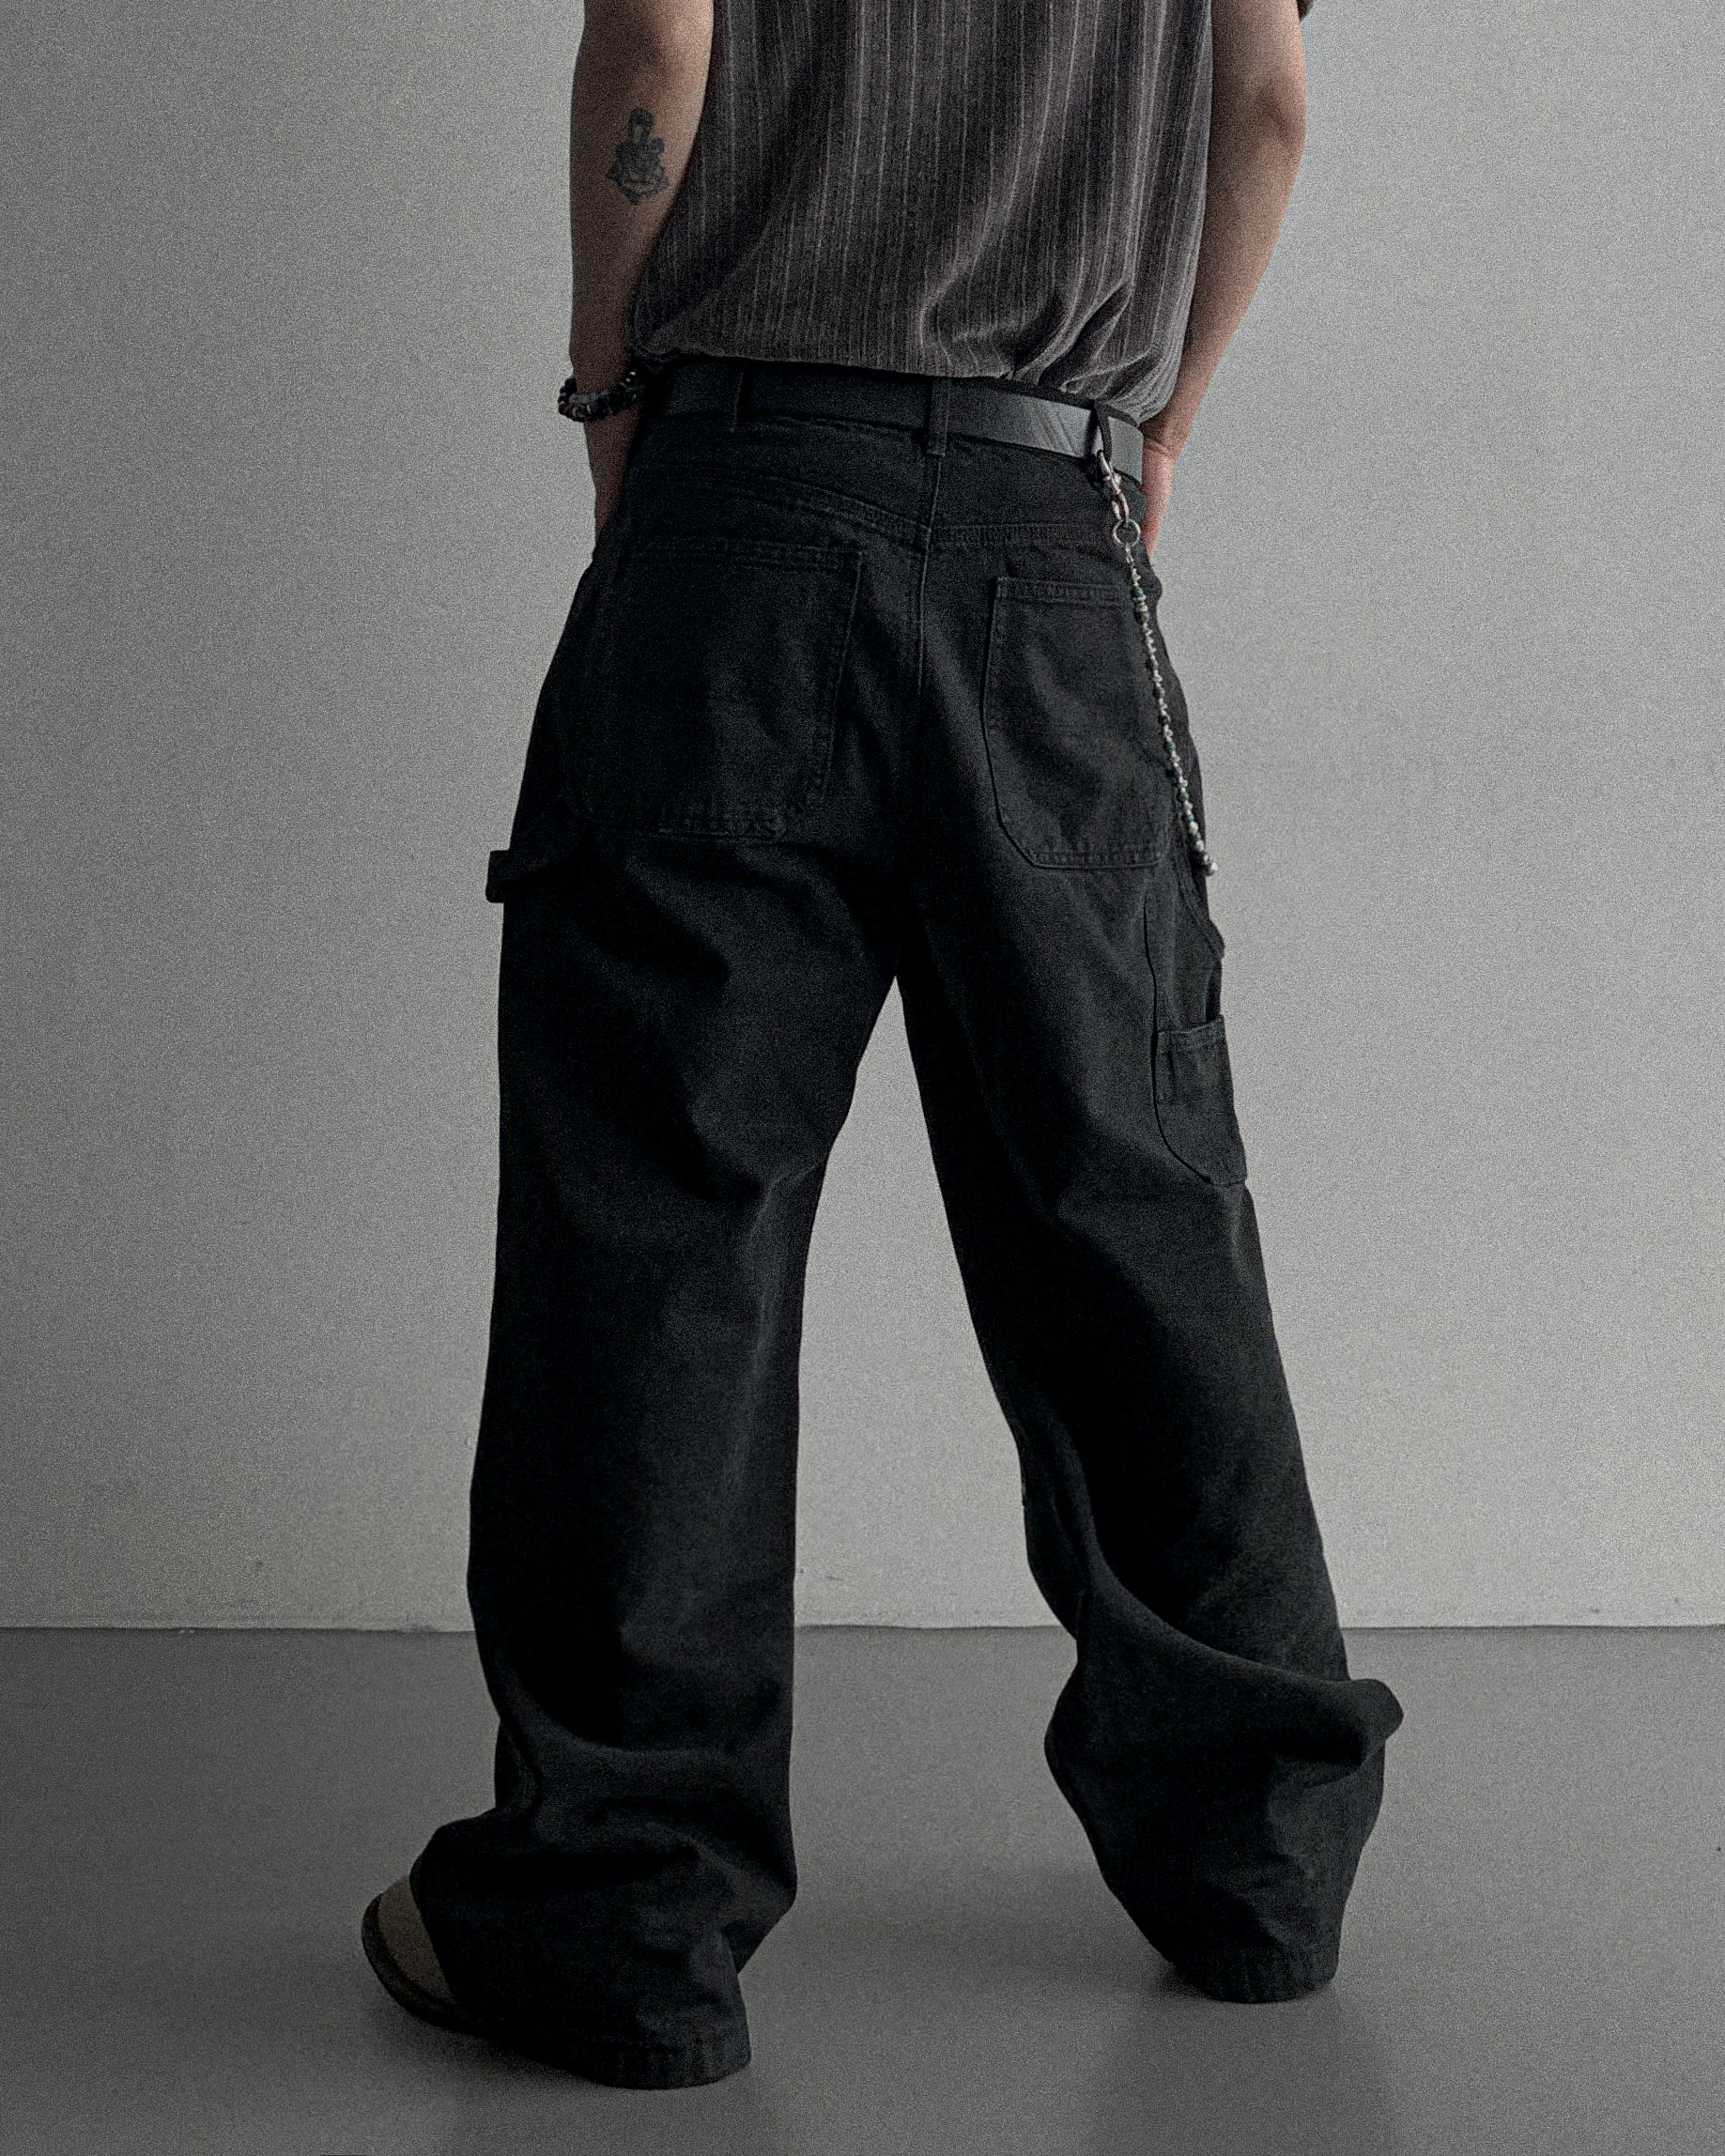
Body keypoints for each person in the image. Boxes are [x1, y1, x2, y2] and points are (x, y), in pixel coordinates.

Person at [360, 0, 1404, 2088]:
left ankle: (619, 1915)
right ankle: (1253, 1860)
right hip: (1052, 525)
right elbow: (1268, 99)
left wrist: (606, 384)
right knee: (1129, 1202)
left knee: (660, 1224)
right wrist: (1160, 420)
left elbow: (656, 42)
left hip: (737, 514)